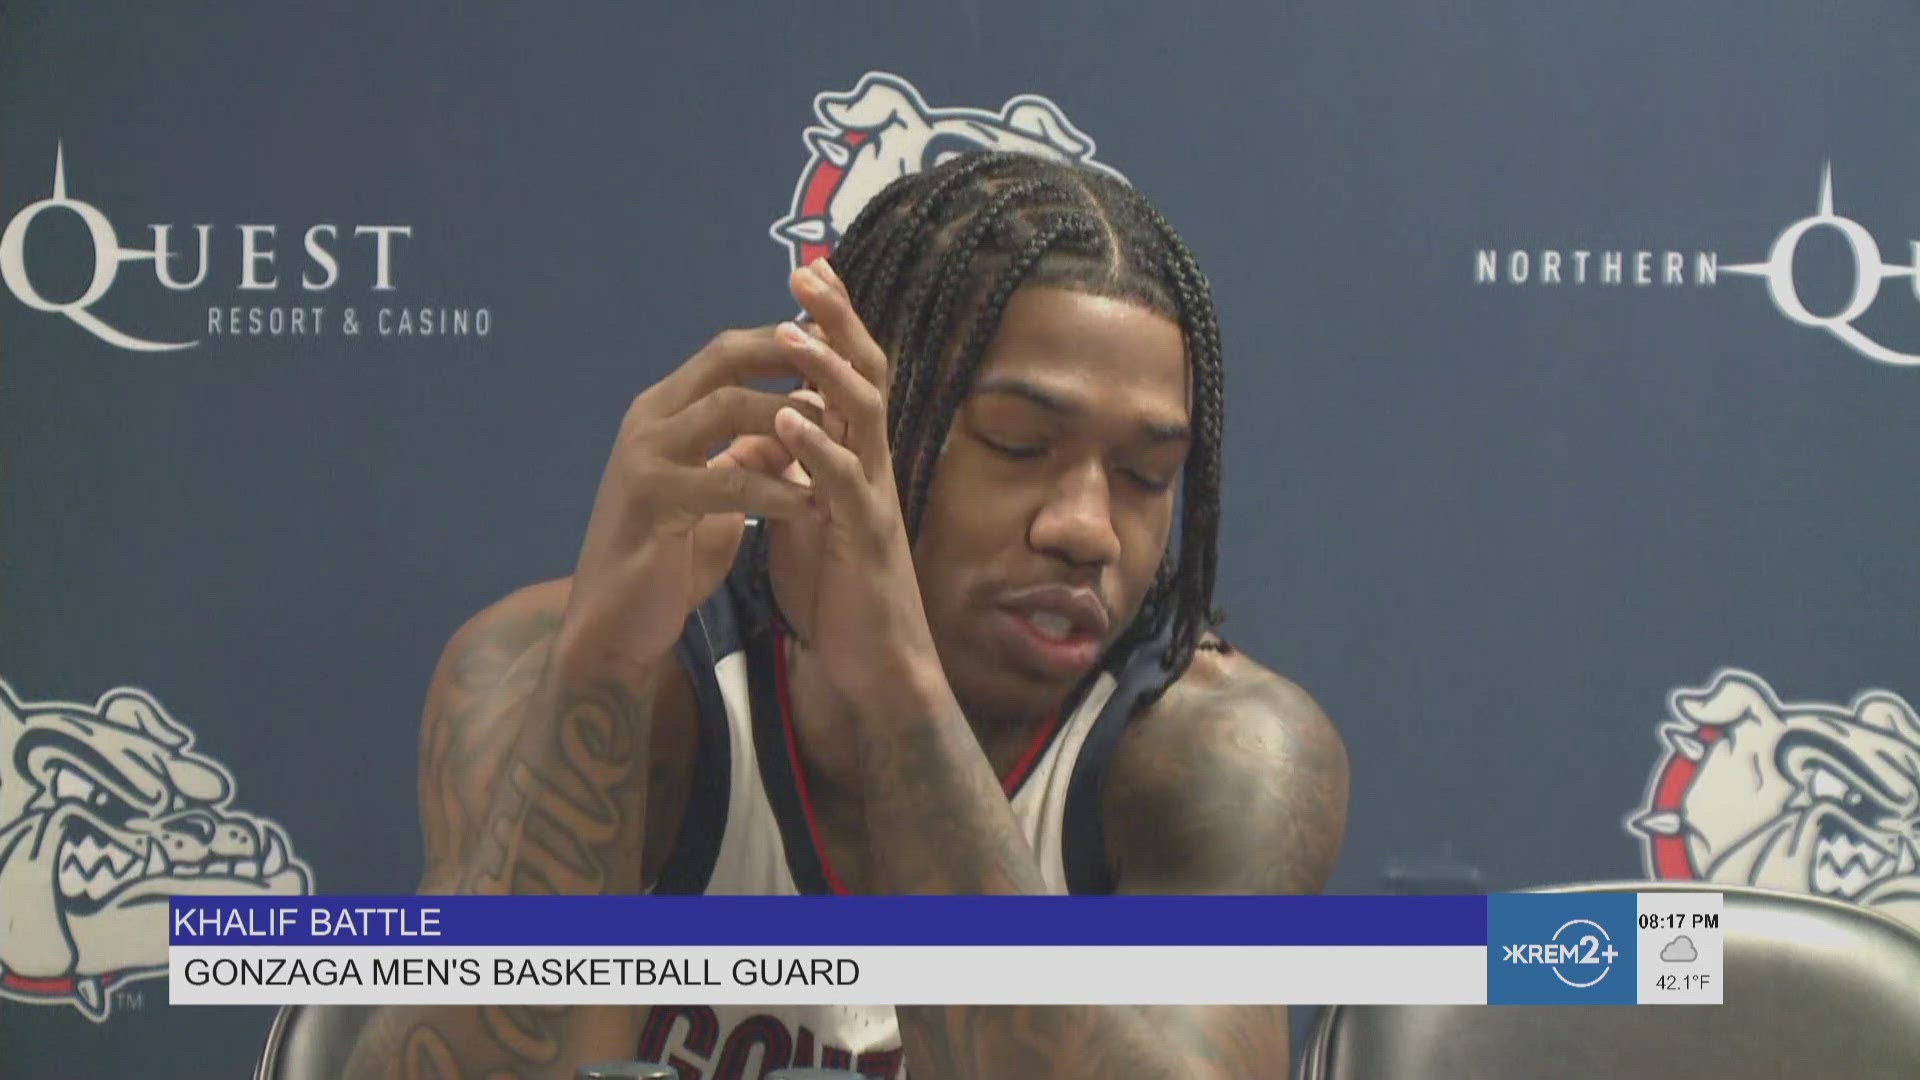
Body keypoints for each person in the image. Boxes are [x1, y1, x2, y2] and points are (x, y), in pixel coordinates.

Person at [340, 150, 1349, 1080]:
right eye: (1015, 443)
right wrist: (601, 664)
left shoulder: (1219, 753)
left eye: (1143, 476)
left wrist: (900, 693)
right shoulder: (602, 676)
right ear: (844, 417)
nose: (1089, 528)